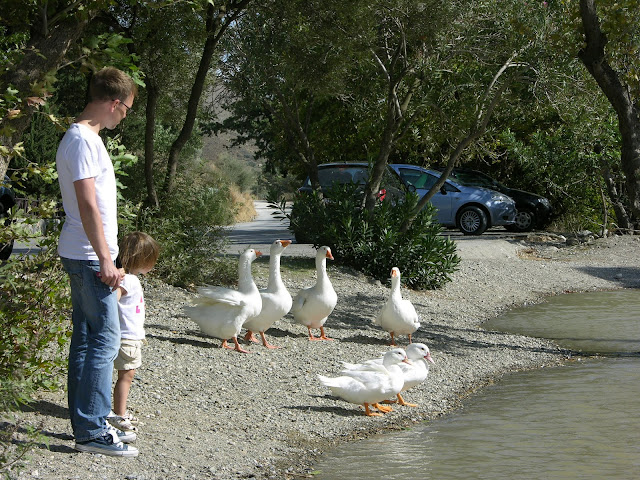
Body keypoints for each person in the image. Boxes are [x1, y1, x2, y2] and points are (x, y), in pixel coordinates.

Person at [56, 67, 139, 457]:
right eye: (126, 110)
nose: (124, 117)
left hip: (86, 253)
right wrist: (107, 259)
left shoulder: (84, 138)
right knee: (105, 341)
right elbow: (87, 204)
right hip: (90, 256)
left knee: (87, 339)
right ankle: (91, 430)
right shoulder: (82, 141)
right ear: (114, 103)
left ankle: (88, 422)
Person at [107, 232, 159, 433]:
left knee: (124, 374)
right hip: (127, 337)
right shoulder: (129, 280)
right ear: (142, 260)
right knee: (126, 376)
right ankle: (119, 414)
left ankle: (118, 411)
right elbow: (114, 299)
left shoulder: (128, 279)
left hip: (126, 336)